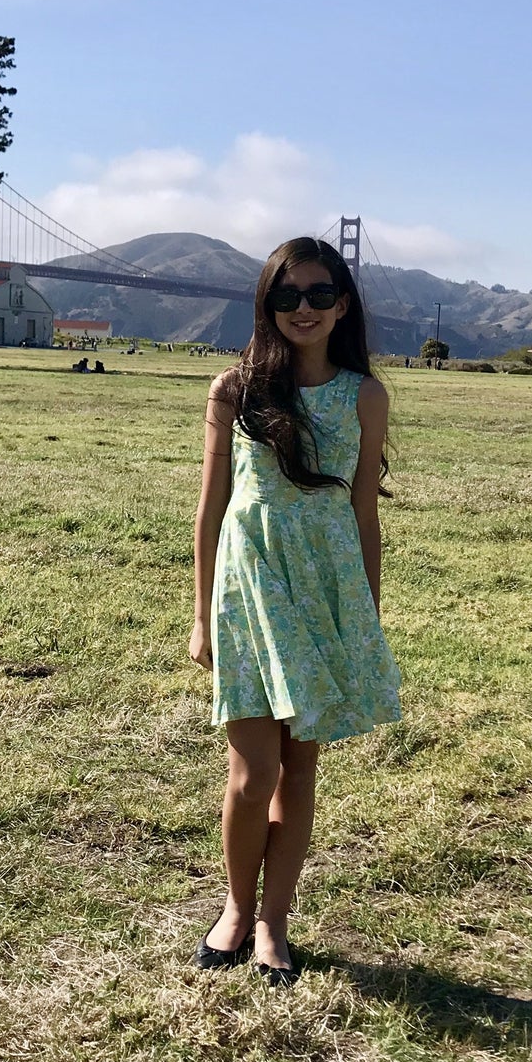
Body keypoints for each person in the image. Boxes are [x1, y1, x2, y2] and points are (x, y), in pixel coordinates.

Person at [189, 237, 401, 986]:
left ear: (342, 304)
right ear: (266, 304)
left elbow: (363, 518)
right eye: (287, 296)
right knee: (252, 773)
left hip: (325, 594)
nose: (303, 309)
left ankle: (275, 920)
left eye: (318, 294)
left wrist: (363, 619)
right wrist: (199, 614)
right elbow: (211, 510)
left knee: (298, 769)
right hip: (249, 594)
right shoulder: (232, 389)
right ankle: (236, 909)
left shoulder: (364, 395)